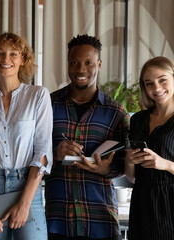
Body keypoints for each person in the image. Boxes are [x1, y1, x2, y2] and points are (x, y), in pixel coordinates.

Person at [0, 32, 53, 240]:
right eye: (0, 53)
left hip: (27, 185)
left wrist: (24, 204)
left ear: (23, 60)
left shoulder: (38, 96)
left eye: (13, 54)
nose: (6, 59)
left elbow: (41, 152)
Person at [45, 34, 130, 240]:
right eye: (74, 62)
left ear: (99, 64)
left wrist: (107, 169)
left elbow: (128, 162)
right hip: (58, 219)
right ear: (67, 64)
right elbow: (30, 153)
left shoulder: (116, 112)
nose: (81, 69)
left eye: (88, 63)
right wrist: (54, 153)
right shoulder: (47, 105)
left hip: (100, 220)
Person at [125, 56, 174, 240]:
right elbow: (132, 177)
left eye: (162, 80)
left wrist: (165, 164)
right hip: (142, 202)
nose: (157, 88)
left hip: (169, 203)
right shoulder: (138, 119)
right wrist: (130, 161)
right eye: (149, 83)